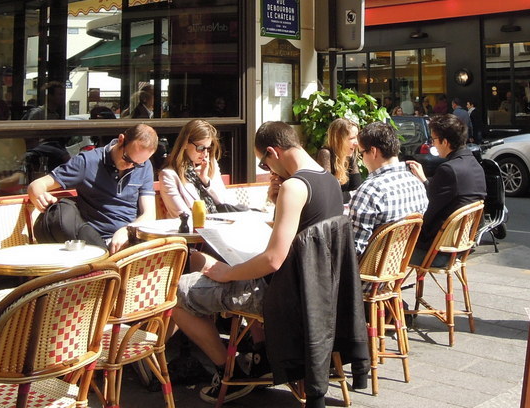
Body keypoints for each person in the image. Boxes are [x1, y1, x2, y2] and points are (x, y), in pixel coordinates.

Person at [171, 122, 353, 406]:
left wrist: (228, 273)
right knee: (221, 267)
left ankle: (230, 371)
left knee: (173, 294)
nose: (268, 170)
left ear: (272, 151)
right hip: (319, 295)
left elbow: (273, 259)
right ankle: (262, 354)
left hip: (284, 298)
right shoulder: (328, 179)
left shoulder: (295, 187)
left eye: (264, 164)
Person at [27, 123, 157, 252]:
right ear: (121, 140)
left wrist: (128, 230)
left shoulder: (145, 166)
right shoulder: (87, 162)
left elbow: (149, 214)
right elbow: (37, 185)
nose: (130, 166)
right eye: (127, 159)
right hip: (98, 242)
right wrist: (39, 195)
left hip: (131, 236)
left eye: (137, 164)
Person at [405, 113, 486, 266]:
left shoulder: (449, 169)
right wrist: (424, 180)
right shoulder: (475, 165)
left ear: (445, 142)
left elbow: (428, 210)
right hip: (461, 246)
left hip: (437, 252)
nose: (433, 144)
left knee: (384, 252)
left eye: (434, 140)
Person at [348, 122, 428, 257]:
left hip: (368, 266)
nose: (362, 159)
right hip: (398, 261)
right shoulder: (417, 183)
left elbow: (353, 250)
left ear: (373, 151)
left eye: (361, 154)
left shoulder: (370, 191)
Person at [158, 119, 230, 219]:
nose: (205, 154)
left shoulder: (211, 165)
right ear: (185, 144)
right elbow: (183, 216)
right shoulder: (169, 175)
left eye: (208, 148)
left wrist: (206, 181)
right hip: (195, 226)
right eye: (200, 148)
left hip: (221, 222)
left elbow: (225, 202)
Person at [316, 118, 362, 203]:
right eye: (352, 138)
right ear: (338, 139)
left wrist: (347, 195)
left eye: (357, 138)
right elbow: (328, 195)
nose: (357, 143)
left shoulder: (349, 156)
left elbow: (357, 190)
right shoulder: (326, 154)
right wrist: (351, 195)